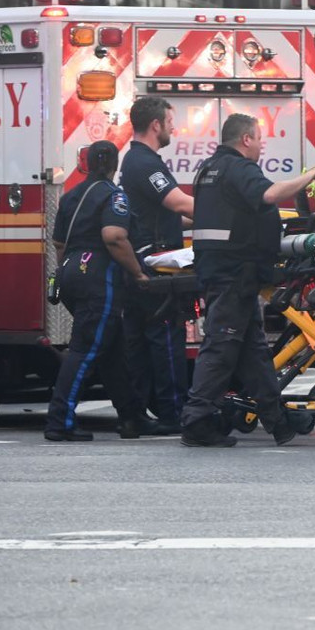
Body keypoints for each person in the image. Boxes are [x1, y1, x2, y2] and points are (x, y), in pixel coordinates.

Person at [179, 113, 315, 447]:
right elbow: (270, 195)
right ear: (246, 139)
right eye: (259, 138)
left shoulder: (208, 170)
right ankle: (196, 420)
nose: (261, 145)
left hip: (222, 272)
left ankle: (277, 421)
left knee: (254, 351)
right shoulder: (239, 168)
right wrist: (314, 174)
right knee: (221, 346)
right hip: (234, 274)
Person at [44, 141, 147, 441]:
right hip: (99, 279)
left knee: (112, 350)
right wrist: (137, 273)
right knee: (85, 350)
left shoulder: (70, 196)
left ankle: (131, 418)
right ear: (115, 165)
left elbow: (59, 244)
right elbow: (114, 236)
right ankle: (59, 421)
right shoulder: (114, 196)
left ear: (86, 163)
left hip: (71, 273)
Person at [118, 96, 196, 436]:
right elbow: (178, 203)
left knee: (139, 341)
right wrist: (226, 213)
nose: (173, 129)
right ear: (155, 125)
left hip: (140, 260)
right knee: (165, 337)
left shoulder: (135, 161)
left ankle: (139, 412)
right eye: (170, 122)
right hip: (155, 265)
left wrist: (202, 220)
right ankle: (173, 412)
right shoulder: (145, 164)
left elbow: (167, 215)